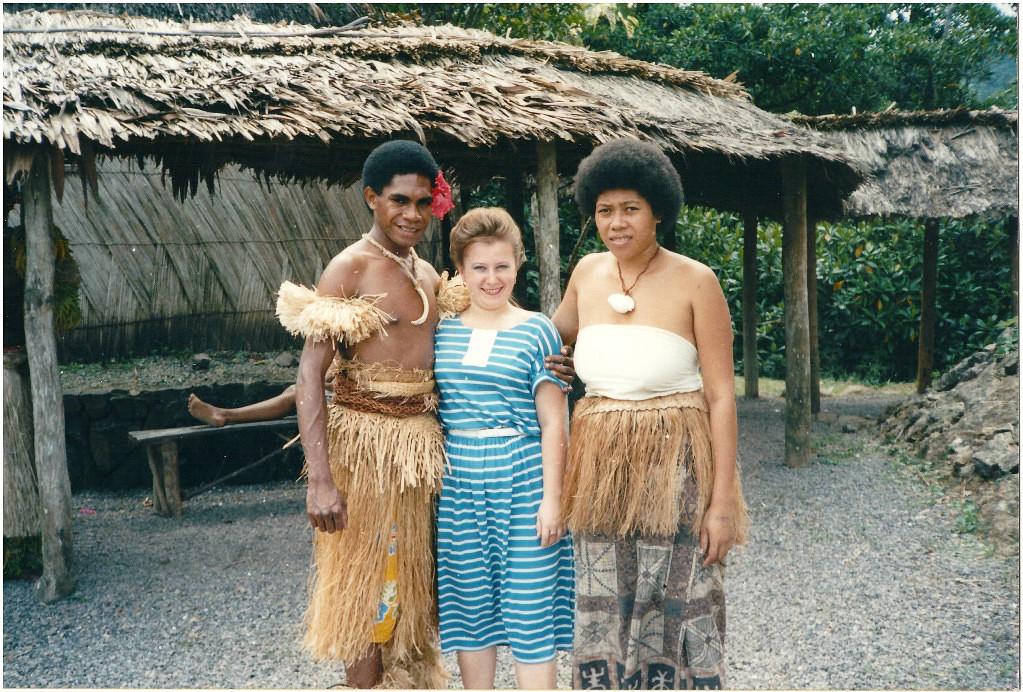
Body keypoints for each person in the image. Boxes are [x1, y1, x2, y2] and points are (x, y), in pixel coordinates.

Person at [275, 141, 573, 689]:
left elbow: (494, 323)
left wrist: (558, 359)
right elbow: (309, 377)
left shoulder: (432, 278)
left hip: (422, 458)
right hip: (364, 452)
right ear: (372, 199)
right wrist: (320, 480)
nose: (411, 214)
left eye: (421, 202)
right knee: (365, 587)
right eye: (397, 201)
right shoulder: (351, 266)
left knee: (410, 588)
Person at [551, 138, 749, 690]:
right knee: (605, 600)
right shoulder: (587, 274)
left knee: (680, 599)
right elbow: (550, 338)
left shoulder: (696, 280)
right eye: (605, 210)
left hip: (677, 467)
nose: (617, 223)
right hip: (599, 469)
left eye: (630, 209)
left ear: (658, 211)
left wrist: (722, 506)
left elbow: (721, 397)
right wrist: (560, 363)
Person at [433, 208, 575, 689]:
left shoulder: (538, 330)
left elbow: (554, 419)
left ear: (518, 265)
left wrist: (553, 499)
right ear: (461, 271)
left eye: (502, 267)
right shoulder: (443, 331)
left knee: (529, 609)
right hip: (459, 481)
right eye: (479, 267)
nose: (491, 279)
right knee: (471, 609)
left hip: (523, 478)